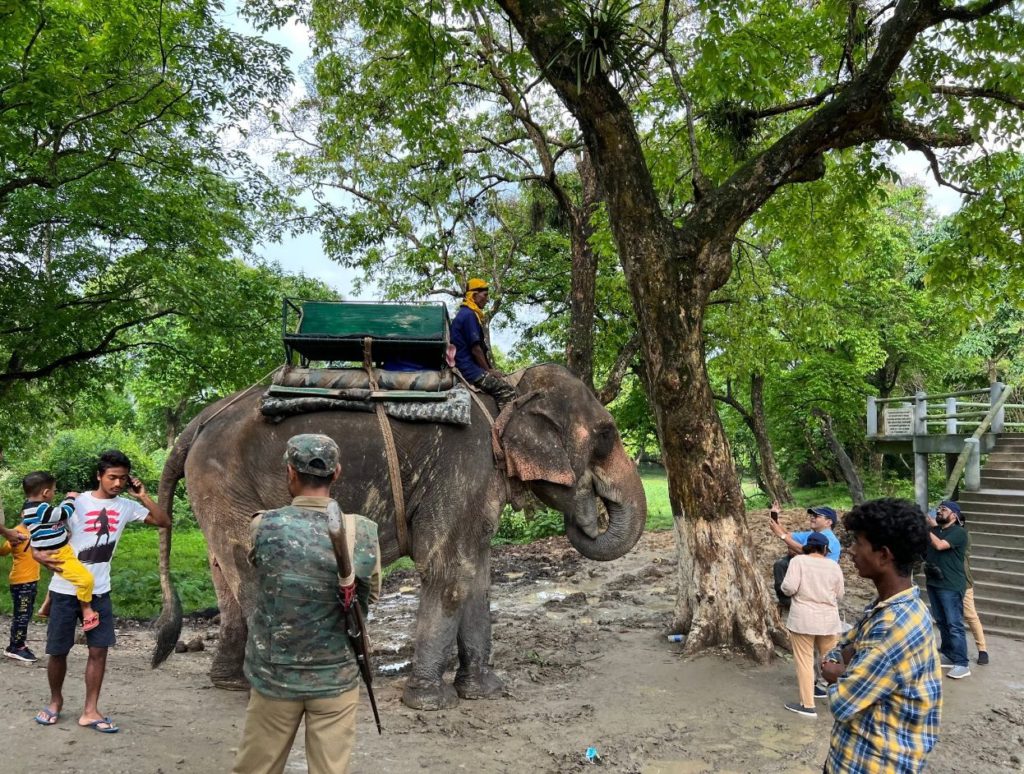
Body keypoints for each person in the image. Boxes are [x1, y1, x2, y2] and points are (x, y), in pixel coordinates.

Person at [232, 434, 381, 774]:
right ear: (337, 473)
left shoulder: (263, 524)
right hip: (336, 677)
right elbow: (368, 598)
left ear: (290, 472)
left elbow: (263, 572)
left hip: (275, 677)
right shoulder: (363, 531)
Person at [32, 449, 170, 731]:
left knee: (99, 651)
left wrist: (142, 495)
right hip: (64, 588)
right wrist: (36, 553)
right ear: (99, 476)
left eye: (122, 479)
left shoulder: (126, 507)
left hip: (100, 590)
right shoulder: (77, 502)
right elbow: (43, 527)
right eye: (111, 478)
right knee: (58, 650)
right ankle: (55, 702)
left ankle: (90, 710)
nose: (117, 484)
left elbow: (163, 522)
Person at [820, 498, 941, 773]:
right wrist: (848, 666)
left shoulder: (893, 625)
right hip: (852, 755)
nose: (850, 551)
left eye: (858, 543)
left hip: (873, 765)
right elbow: (842, 647)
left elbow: (843, 699)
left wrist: (839, 670)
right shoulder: (887, 605)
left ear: (884, 555)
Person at [20, 472, 98, 632]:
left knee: (63, 576)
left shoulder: (28, 508)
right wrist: (70, 498)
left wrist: (62, 533)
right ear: (45, 493)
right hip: (59, 553)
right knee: (86, 580)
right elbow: (63, 513)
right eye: (54, 491)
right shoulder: (41, 509)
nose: (54, 493)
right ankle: (86, 609)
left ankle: (46, 606)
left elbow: (45, 526)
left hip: (58, 548)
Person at [779, 531, 845, 718]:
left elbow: (789, 587)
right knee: (829, 661)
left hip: (803, 619)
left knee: (804, 662)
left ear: (808, 546)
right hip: (829, 620)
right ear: (825, 549)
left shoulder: (798, 561)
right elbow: (840, 594)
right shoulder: (833, 565)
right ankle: (838, 701)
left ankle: (808, 706)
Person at [449, 278, 516, 409]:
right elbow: (476, 349)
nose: (487, 299)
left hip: (468, 367)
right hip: (469, 370)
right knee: (506, 390)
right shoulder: (469, 315)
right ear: (474, 295)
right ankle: (503, 427)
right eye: (485, 295)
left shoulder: (466, 313)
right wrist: (488, 370)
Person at [924, 499, 970, 679]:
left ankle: (962, 663)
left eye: (944, 509)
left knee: (954, 624)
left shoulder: (959, 532)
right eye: (939, 508)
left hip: (951, 585)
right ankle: (948, 654)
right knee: (941, 622)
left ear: (954, 515)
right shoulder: (936, 531)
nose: (940, 511)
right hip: (934, 583)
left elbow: (940, 545)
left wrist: (927, 529)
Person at [768, 501, 842, 607]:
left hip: (819, 576)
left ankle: (793, 601)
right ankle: (787, 600)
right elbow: (787, 534)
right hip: (809, 570)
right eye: (812, 515)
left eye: (816, 516)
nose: (812, 517)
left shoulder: (829, 539)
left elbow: (810, 553)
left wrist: (782, 536)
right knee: (782, 563)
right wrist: (775, 518)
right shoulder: (812, 534)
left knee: (788, 562)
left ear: (828, 522)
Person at [1, 519, 40, 662]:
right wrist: (10, 541)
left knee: (26, 613)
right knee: (22, 615)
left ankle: (16, 644)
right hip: (21, 581)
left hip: (33, 580)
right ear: (24, 513)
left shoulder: (37, 531)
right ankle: (17, 646)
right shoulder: (16, 532)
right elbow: (3, 551)